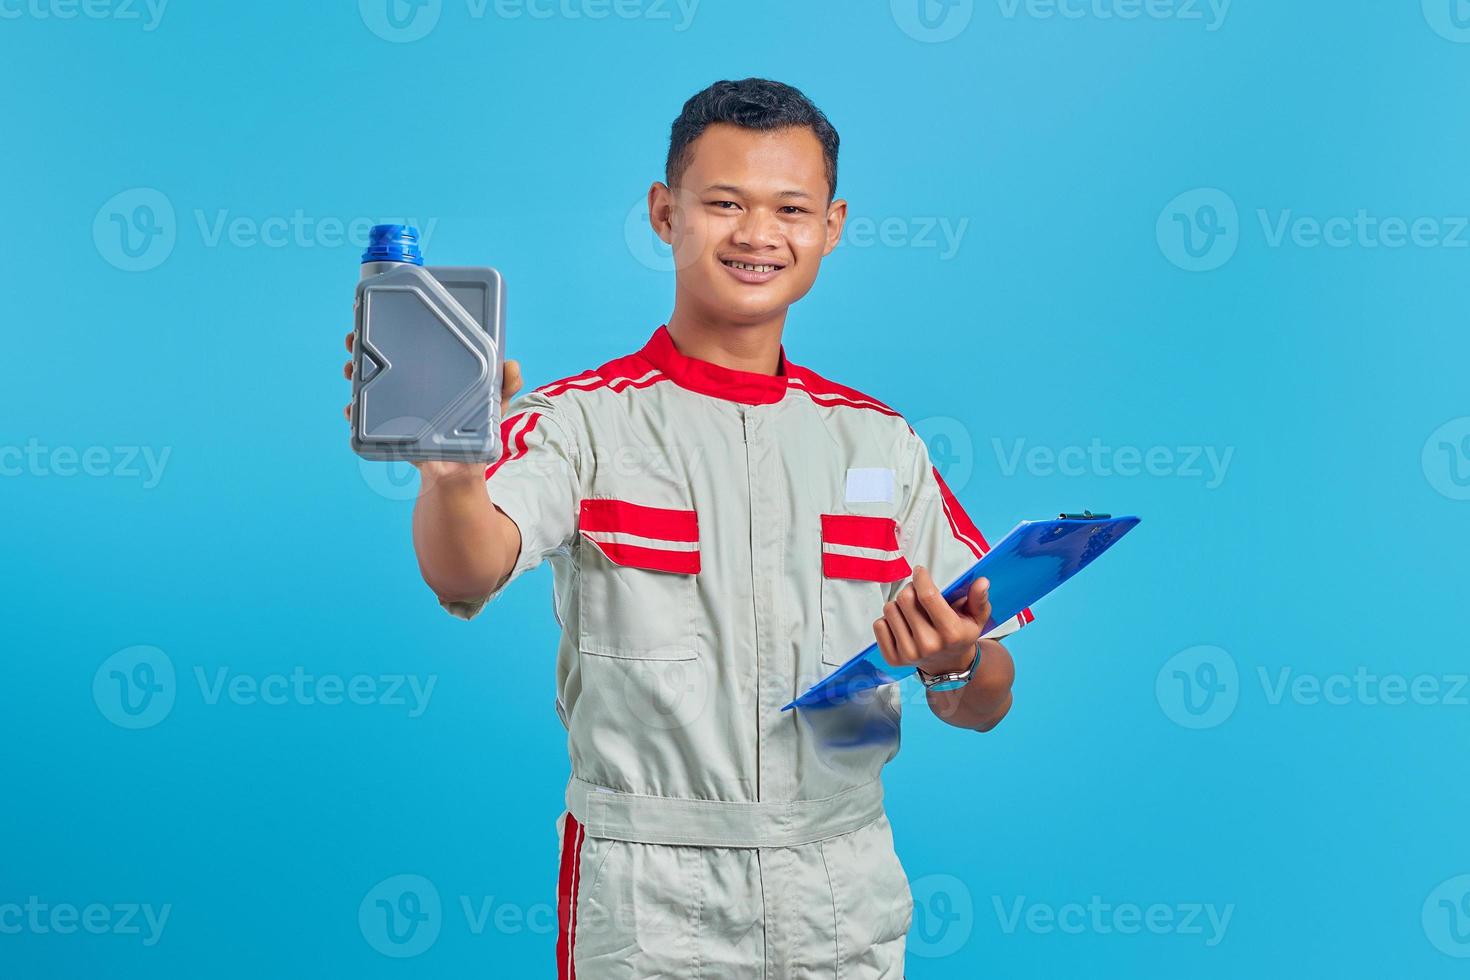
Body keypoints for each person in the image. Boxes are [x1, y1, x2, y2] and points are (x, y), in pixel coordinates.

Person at [343, 77, 1031, 979]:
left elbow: (988, 695)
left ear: (832, 225)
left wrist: (957, 662)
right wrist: (451, 472)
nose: (757, 233)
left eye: (791, 207)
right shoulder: (580, 421)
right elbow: (465, 571)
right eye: (723, 204)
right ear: (666, 214)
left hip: (841, 882)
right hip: (650, 895)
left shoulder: (879, 442)